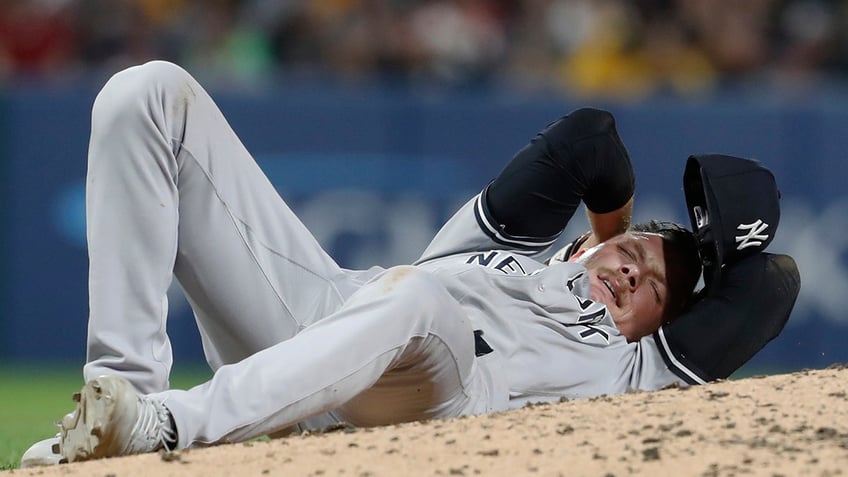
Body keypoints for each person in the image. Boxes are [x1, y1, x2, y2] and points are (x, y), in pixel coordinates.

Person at [20, 60, 795, 467]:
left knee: (417, 298)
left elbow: (772, 284)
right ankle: (115, 413)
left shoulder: (636, 371)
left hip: (431, 399)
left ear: (661, 328)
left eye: (654, 290)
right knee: (148, 93)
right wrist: (614, 230)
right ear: (596, 240)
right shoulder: (507, 250)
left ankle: (168, 425)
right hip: (314, 326)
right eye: (634, 257)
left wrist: (706, 256)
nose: (634, 275)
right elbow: (590, 138)